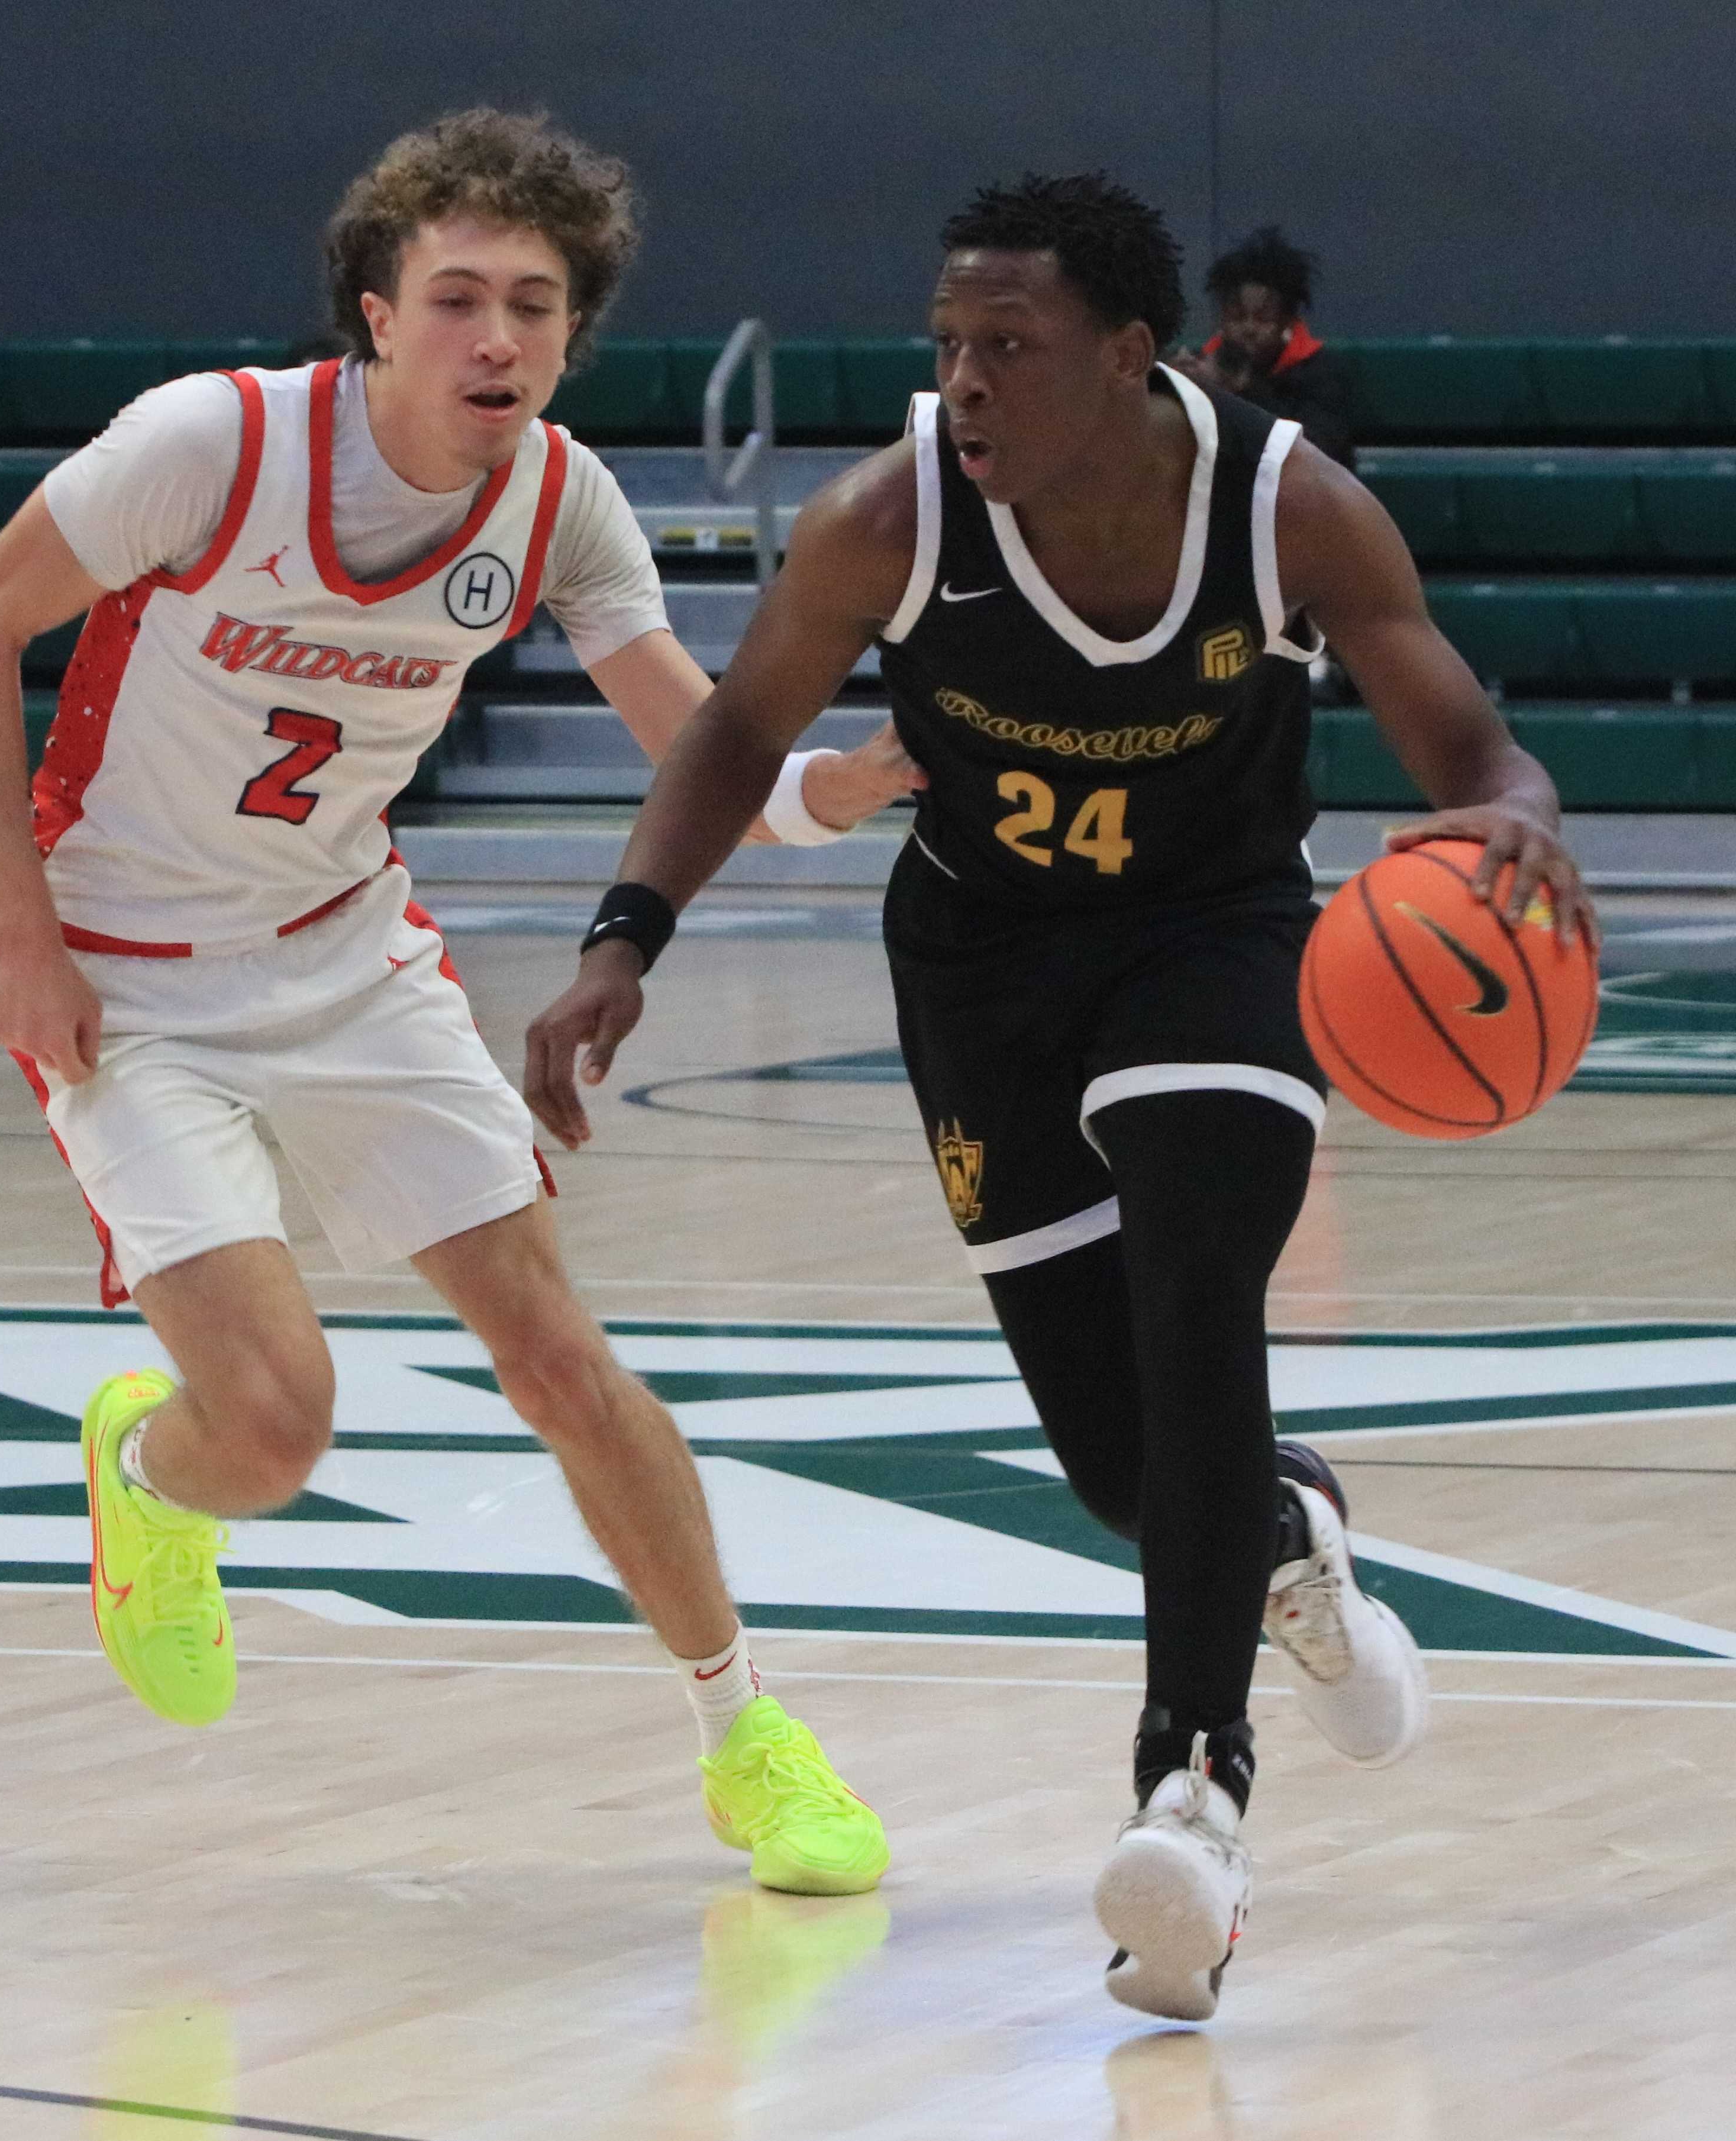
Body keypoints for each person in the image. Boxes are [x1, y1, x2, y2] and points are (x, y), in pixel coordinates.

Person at [524, 172, 1599, 2022]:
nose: (964, 384)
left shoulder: (1284, 506)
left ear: (1127, 354)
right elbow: (731, 730)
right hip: (982, 971)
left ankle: (1192, 1802)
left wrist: (1509, 807)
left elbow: (1462, 737)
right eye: (945, 347)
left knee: (1196, 1313)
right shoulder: (891, 517)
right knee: (1129, 1468)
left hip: (1211, 935)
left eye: (1006, 348)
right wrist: (625, 933)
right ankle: (1282, 1533)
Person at [0, 108, 911, 1899]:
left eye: (533, 307)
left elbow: (700, 751)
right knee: (276, 1431)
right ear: (374, 314)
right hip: (127, 987)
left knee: (554, 1352)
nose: (496, 340)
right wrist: (17, 930)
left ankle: (744, 1733)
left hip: (347, 958)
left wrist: (826, 787)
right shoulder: (209, 447)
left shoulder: (556, 500)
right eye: (456, 299)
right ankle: (149, 1478)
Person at [1174, 223, 1356, 467]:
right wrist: (1176, 386)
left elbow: (1323, 450)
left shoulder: (1321, 371)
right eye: (1237, 317)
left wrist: (1242, 390)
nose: (1249, 328)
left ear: (1287, 321)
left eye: (1263, 318)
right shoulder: (1203, 367)